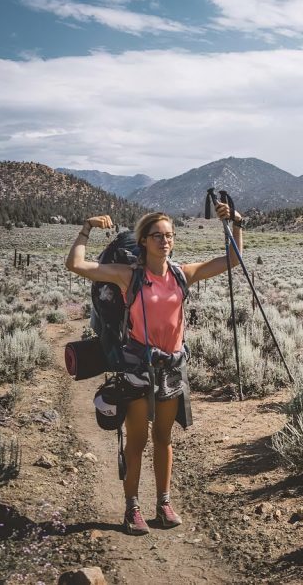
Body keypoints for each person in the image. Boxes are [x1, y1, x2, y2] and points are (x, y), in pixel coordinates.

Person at [65, 204, 243, 535]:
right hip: (138, 368)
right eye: (157, 236)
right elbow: (74, 264)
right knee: (137, 441)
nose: (165, 241)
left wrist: (236, 223)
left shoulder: (181, 273)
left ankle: (163, 503)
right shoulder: (128, 276)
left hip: (172, 368)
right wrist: (86, 227)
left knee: (163, 437)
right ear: (144, 241)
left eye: (169, 236)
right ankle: (131, 508)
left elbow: (233, 260)